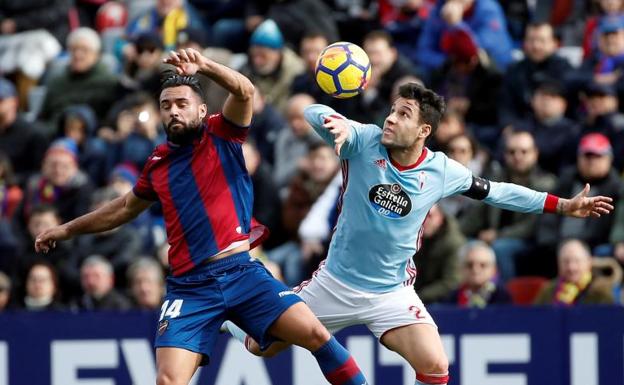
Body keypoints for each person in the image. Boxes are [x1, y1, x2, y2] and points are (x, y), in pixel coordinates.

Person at [223, 83, 614, 385]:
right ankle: (230, 317)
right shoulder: (362, 140)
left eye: (403, 114)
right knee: (262, 348)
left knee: (435, 364)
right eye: (391, 111)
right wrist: (333, 120)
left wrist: (560, 205)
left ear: (424, 129)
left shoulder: (443, 170)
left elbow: (499, 192)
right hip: (335, 284)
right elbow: (311, 110)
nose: (391, 119)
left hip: (391, 292)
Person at [35, 48, 369, 385]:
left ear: (202, 108)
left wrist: (206, 66)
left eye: (182, 104)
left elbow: (244, 91)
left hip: (242, 273)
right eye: (166, 106)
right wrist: (65, 230)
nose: (174, 111)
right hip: (189, 288)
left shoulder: (222, 133)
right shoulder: (157, 164)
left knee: (316, 335)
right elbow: (122, 209)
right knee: (168, 381)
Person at [534, 239, 615, 305]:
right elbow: (535, 319)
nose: (571, 267)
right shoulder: (548, 290)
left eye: (577, 261)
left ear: (589, 262)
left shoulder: (603, 290)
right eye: (565, 261)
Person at [445, 241, 512, 307]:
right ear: (461, 268)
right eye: (469, 265)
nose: (475, 270)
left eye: (483, 265)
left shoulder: (502, 296)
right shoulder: (453, 297)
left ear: (494, 269)